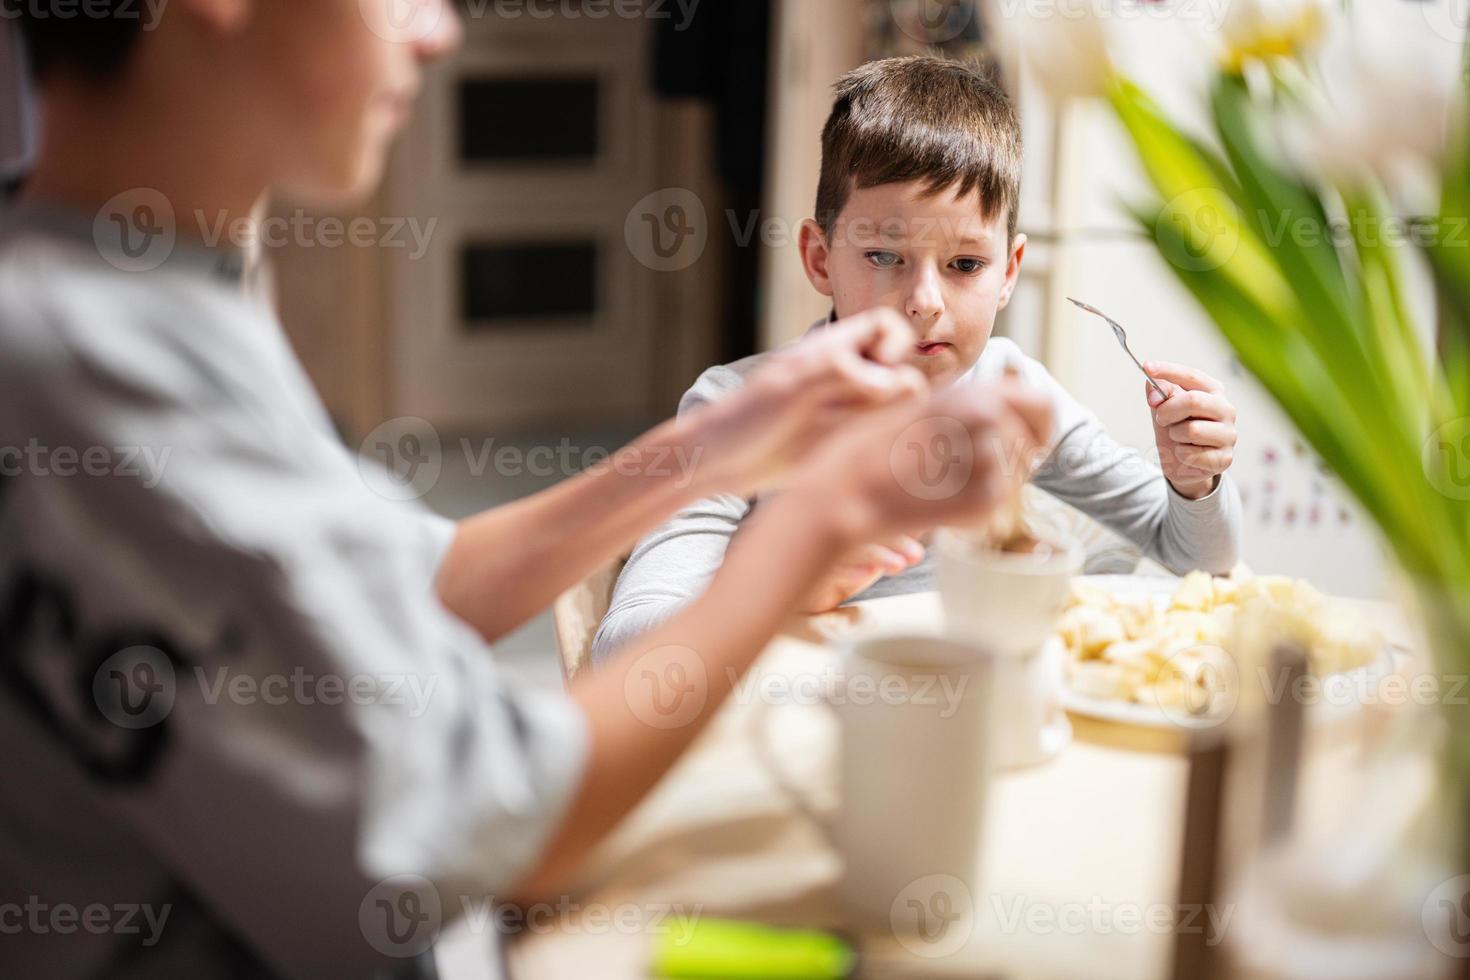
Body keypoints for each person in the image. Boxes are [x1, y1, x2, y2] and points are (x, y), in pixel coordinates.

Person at [0, 3, 1051, 977]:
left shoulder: (152, 289)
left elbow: (422, 580)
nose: (438, 29)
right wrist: (819, 525)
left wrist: (719, 445)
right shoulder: (81, 364)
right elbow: (492, 821)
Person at [593, 55, 1243, 662]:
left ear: (1010, 270)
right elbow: (622, 648)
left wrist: (1194, 480)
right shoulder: (739, 407)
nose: (925, 302)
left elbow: (1199, 558)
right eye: (883, 256)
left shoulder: (1014, 391)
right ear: (820, 259)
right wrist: (783, 583)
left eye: (965, 265)